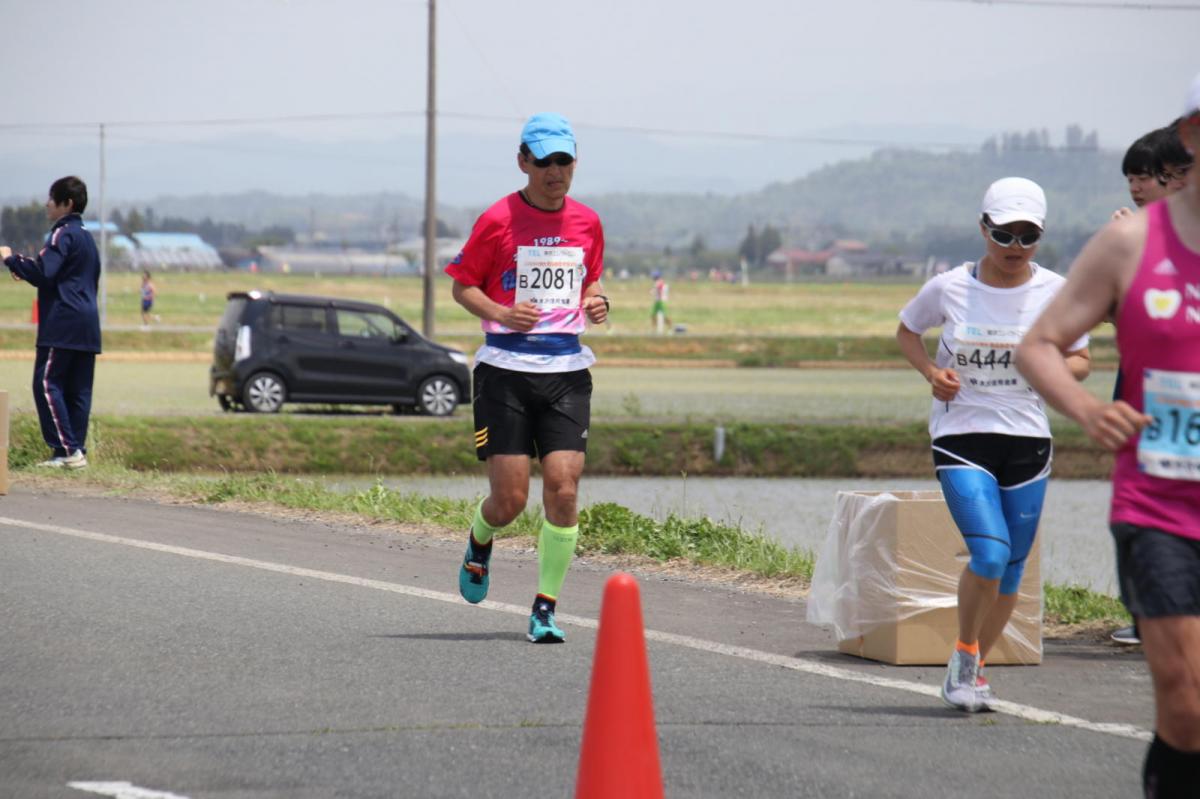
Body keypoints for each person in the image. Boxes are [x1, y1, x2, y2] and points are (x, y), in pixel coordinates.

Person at [1017, 75, 1200, 798]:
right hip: (1161, 504)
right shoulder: (1131, 241)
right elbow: (1040, 344)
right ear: (1191, 135)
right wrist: (1089, 410)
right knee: (1186, 701)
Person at [896, 177, 1090, 712]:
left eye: (1027, 237)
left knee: (1012, 569)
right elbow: (907, 330)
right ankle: (961, 656)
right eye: (1003, 235)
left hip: (1027, 440)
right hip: (962, 437)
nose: (1014, 249)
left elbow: (1081, 361)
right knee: (989, 551)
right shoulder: (950, 287)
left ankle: (974, 666)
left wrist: (1047, 367)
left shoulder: (1056, 290)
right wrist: (931, 373)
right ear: (983, 228)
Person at [445, 112, 609, 643]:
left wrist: (596, 301)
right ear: (523, 161)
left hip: (566, 371)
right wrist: (500, 309)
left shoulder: (588, 223)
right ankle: (480, 537)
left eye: (564, 160)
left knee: (563, 490)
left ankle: (544, 607)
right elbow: (462, 287)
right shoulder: (497, 220)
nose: (554, 171)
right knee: (511, 501)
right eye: (544, 161)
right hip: (504, 372)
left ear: (574, 163)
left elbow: (590, 282)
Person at [0, 176, 101, 469]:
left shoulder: (62, 234)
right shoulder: (87, 237)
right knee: (78, 390)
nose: (47, 204)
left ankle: (65, 451)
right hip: (88, 323)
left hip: (62, 323)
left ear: (66, 204)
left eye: (51, 199)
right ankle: (77, 451)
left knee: (46, 383)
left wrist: (10, 259)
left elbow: (45, 272)